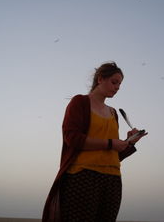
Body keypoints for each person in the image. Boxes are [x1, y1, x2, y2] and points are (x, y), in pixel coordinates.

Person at [42, 61, 147, 222]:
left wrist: (130, 142)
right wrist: (111, 143)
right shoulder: (80, 102)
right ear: (100, 79)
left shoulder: (113, 113)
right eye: (114, 82)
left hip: (113, 180)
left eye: (120, 84)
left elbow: (113, 154)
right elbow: (72, 138)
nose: (117, 87)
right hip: (83, 176)